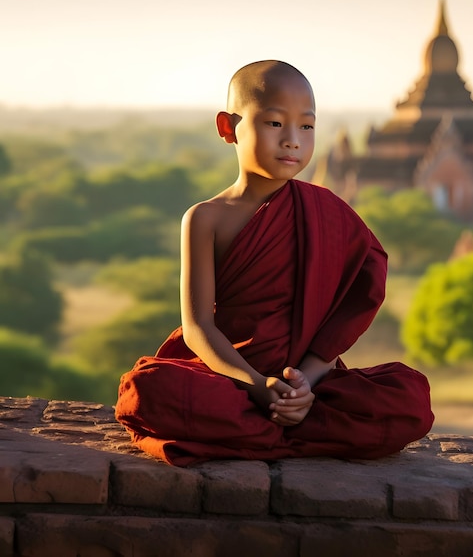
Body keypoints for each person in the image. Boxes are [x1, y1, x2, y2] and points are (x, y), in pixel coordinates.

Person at [115, 60, 434, 466]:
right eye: (274, 124)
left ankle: (274, 424)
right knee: (149, 391)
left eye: (306, 126)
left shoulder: (326, 211)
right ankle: (286, 428)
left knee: (407, 396)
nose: (292, 141)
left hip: (308, 384)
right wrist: (256, 386)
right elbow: (198, 329)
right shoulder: (205, 218)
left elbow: (356, 300)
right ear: (228, 127)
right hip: (230, 377)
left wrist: (304, 384)